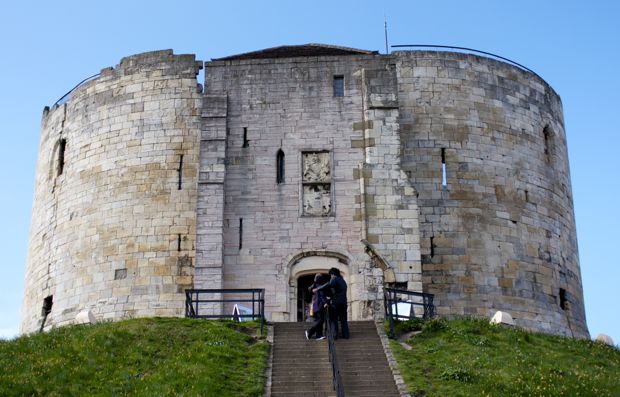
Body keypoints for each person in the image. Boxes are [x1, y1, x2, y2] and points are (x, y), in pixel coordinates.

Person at [313, 267, 349, 339]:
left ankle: (334, 335)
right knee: (343, 320)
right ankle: (346, 335)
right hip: (344, 303)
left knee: (333, 319)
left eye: (331, 275)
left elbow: (329, 284)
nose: (331, 276)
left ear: (333, 274)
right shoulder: (343, 281)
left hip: (336, 303)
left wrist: (318, 288)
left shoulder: (334, 279)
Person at [305, 273, 328, 340]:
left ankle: (319, 335)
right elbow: (321, 295)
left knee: (319, 320)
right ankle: (309, 331)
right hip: (319, 304)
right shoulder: (319, 285)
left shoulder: (314, 285)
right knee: (321, 320)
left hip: (316, 305)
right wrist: (325, 302)